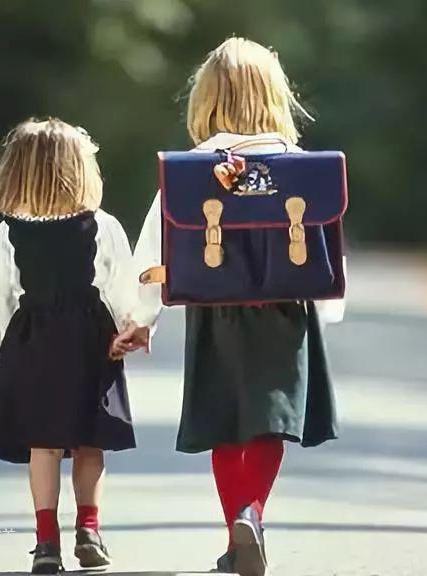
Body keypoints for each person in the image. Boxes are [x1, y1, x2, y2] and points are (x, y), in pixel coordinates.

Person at [117, 37, 346, 576]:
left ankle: (237, 536)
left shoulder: (190, 169)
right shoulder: (302, 168)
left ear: (207, 99)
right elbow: (328, 246)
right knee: (271, 422)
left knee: (224, 425)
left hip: (214, 311)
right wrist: (328, 310)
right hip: (285, 309)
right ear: (275, 96)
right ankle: (251, 516)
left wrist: (141, 318)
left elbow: (153, 250)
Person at [0, 118, 152, 574]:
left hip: (32, 345)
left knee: (44, 445)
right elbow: (122, 288)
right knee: (90, 442)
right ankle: (89, 530)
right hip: (90, 342)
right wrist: (127, 328)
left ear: (15, 171)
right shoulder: (102, 226)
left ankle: (46, 541)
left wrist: (0, 356)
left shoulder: (6, 234)